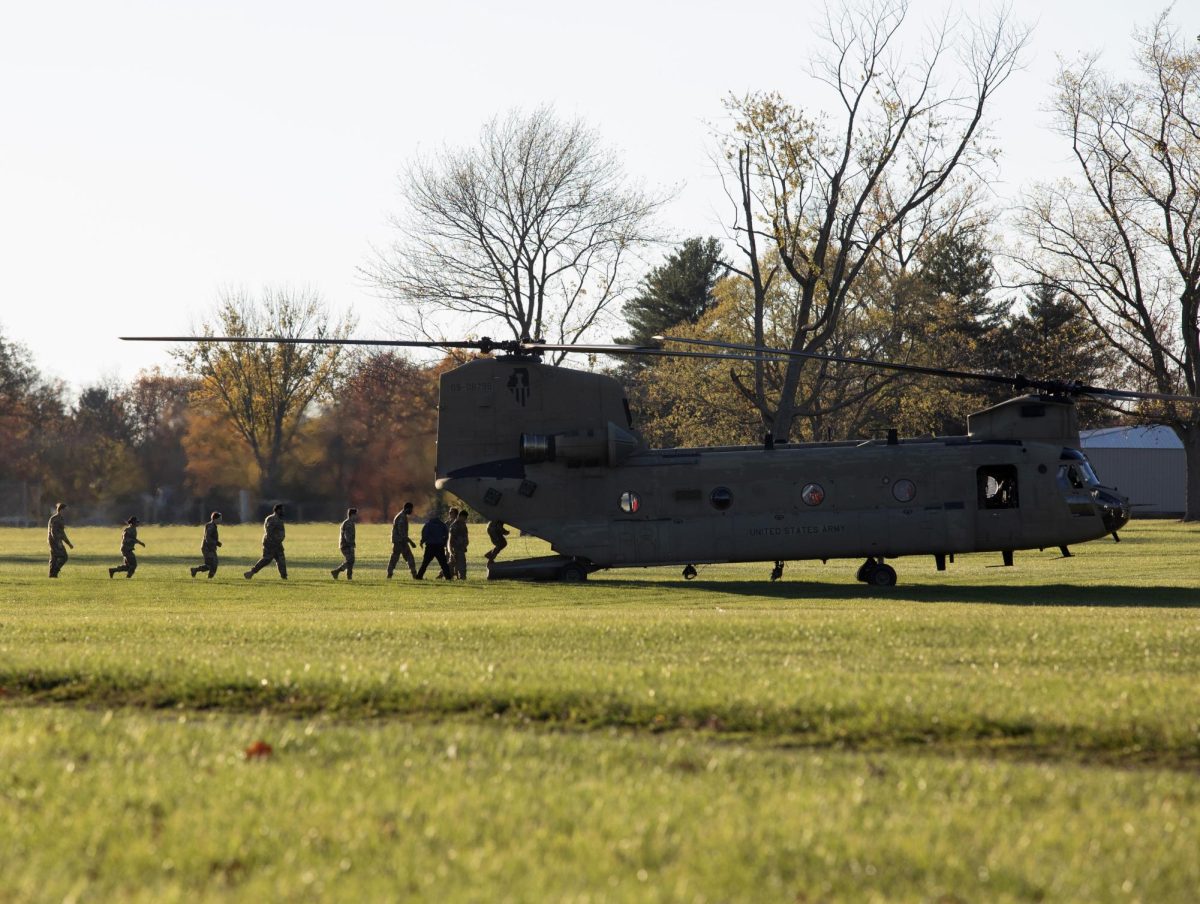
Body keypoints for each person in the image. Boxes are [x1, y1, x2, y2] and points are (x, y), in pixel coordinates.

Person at [245, 503, 287, 580]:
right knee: (266, 560)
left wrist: (279, 541)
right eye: (282, 510)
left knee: (281, 561)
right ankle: (250, 573)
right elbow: (269, 532)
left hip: (278, 544)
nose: (284, 511)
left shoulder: (279, 519)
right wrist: (274, 542)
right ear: (278, 510)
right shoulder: (271, 519)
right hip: (271, 544)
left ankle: (284, 577)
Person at [415, 512, 451, 580]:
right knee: (443, 564)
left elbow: (424, 535)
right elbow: (446, 535)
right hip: (439, 546)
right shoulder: (442, 524)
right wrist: (444, 543)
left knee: (425, 563)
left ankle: (419, 576)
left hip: (430, 546)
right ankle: (448, 577)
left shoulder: (427, 525)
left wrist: (422, 542)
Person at [387, 501, 417, 579]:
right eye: (411, 509)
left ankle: (389, 574)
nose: (411, 511)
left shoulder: (401, 516)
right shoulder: (402, 517)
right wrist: (411, 542)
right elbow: (402, 533)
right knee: (407, 557)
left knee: (395, 558)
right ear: (407, 508)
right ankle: (414, 575)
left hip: (399, 541)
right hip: (400, 542)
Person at [191, 511, 223, 579]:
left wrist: (216, 543)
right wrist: (215, 543)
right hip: (207, 548)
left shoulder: (212, 525)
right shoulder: (211, 526)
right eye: (220, 518)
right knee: (212, 564)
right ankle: (196, 570)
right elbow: (207, 537)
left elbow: (210, 538)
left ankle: (197, 571)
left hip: (209, 547)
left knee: (213, 564)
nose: (221, 520)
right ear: (215, 519)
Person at [46, 502, 73, 578]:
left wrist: (68, 543)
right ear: (61, 510)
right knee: (64, 557)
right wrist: (58, 542)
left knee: (54, 558)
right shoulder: (55, 519)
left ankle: (52, 574)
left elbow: (62, 533)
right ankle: (54, 571)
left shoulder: (61, 519)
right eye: (65, 510)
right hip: (54, 541)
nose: (67, 512)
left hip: (56, 541)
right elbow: (53, 532)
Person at [331, 507, 358, 580]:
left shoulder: (349, 522)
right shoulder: (348, 523)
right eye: (355, 515)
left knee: (351, 561)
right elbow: (347, 536)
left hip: (346, 545)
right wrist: (351, 545)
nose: (356, 516)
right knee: (350, 560)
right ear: (352, 515)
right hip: (346, 545)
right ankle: (336, 571)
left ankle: (349, 577)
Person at [449, 509, 470, 580]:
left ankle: (462, 577)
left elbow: (465, 535)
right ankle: (448, 576)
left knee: (460, 564)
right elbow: (450, 539)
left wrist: (465, 544)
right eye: (464, 518)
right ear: (460, 516)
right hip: (455, 548)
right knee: (453, 564)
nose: (465, 519)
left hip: (461, 548)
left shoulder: (463, 524)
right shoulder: (454, 525)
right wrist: (451, 550)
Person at [444, 507, 460, 577]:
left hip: (457, 545)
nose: (450, 513)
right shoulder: (447, 523)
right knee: (448, 560)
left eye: (451, 512)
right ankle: (449, 575)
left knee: (457, 561)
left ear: (456, 514)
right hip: (448, 545)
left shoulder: (459, 523)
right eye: (449, 512)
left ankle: (457, 574)